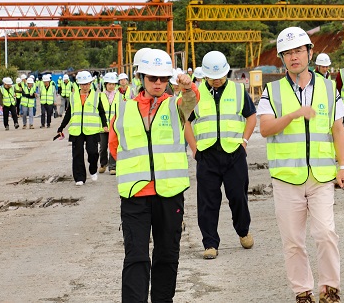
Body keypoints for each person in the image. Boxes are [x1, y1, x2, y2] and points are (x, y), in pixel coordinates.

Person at [258, 27, 344, 303]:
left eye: (298, 51)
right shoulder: (272, 90)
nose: (294, 57)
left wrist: (343, 165)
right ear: (282, 58)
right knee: (293, 240)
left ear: (310, 53)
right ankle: (302, 292)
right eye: (287, 53)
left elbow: (338, 129)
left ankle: (330, 289)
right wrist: (294, 114)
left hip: (321, 176)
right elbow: (265, 129)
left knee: (326, 233)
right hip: (287, 177)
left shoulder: (329, 88)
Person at [108, 48, 199, 303]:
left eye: (163, 78)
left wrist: (188, 86)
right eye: (152, 78)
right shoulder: (124, 110)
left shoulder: (175, 105)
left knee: (167, 255)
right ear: (141, 77)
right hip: (135, 195)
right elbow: (115, 147)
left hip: (169, 193)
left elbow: (192, 100)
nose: (158, 83)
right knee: (136, 257)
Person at [185, 50, 256, 260]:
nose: (216, 80)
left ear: (226, 72)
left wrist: (244, 141)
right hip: (207, 155)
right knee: (207, 201)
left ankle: (243, 231)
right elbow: (185, 121)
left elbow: (251, 116)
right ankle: (210, 243)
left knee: (238, 196)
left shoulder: (238, 90)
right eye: (211, 77)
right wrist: (194, 149)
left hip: (234, 154)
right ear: (205, 75)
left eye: (220, 76)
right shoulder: (196, 94)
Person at [56, 71, 107, 185]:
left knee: (93, 153)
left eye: (87, 84)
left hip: (92, 130)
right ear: (79, 84)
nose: (85, 86)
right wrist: (61, 127)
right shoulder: (73, 96)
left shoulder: (96, 96)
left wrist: (105, 125)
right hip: (76, 130)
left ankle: (93, 169)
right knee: (77, 154)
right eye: (83, 84)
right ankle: (79, 177)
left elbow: (102, 112)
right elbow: (68, 113)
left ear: (90, 83)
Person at [97, 72, 119, 175]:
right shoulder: (100, 96)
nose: (111, 86)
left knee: (113, 146)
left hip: (114, 126)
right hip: (103, 126)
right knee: (103, 147)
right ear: (105, 84)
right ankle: (103, 164)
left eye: (113, 84)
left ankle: (112, 166)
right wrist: (103, 125)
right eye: (109, 84)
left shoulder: (119, 96)